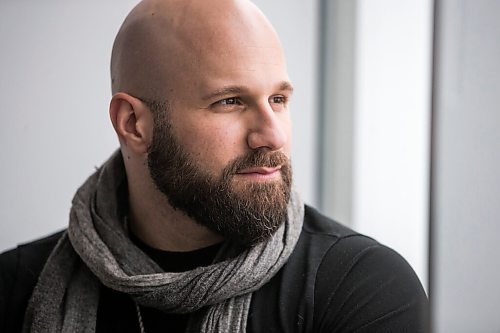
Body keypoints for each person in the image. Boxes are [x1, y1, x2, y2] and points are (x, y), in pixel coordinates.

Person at [0, 0, 428, 332]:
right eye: (230, 102)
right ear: (133, 124)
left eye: (278, 100)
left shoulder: (360, 288)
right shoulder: (16, 289)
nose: (272, 135)